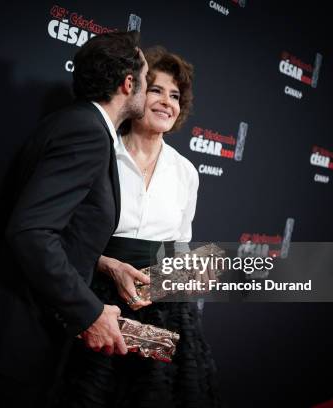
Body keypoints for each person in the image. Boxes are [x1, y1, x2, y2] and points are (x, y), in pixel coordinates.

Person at [0, 31, 149, 407]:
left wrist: (105, 264)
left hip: (19, 337)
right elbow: (31, 231)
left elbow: (57, 225)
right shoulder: (86, 132)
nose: (146, 89)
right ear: (128, 84)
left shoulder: (74, 123)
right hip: (16, 341)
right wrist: (89, 312)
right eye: (146, 80)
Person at [61, 46, 221, 408]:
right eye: (156, 89)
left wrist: (195, 270)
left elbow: (181, 245)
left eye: (175, 95)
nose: (167, 102)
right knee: (92, 394)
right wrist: (107, 265)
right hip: (97, 301)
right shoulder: (100, 150)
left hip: (162, 306)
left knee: (154, 395)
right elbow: (65, 235)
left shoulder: (186, 172)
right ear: (134, 92)